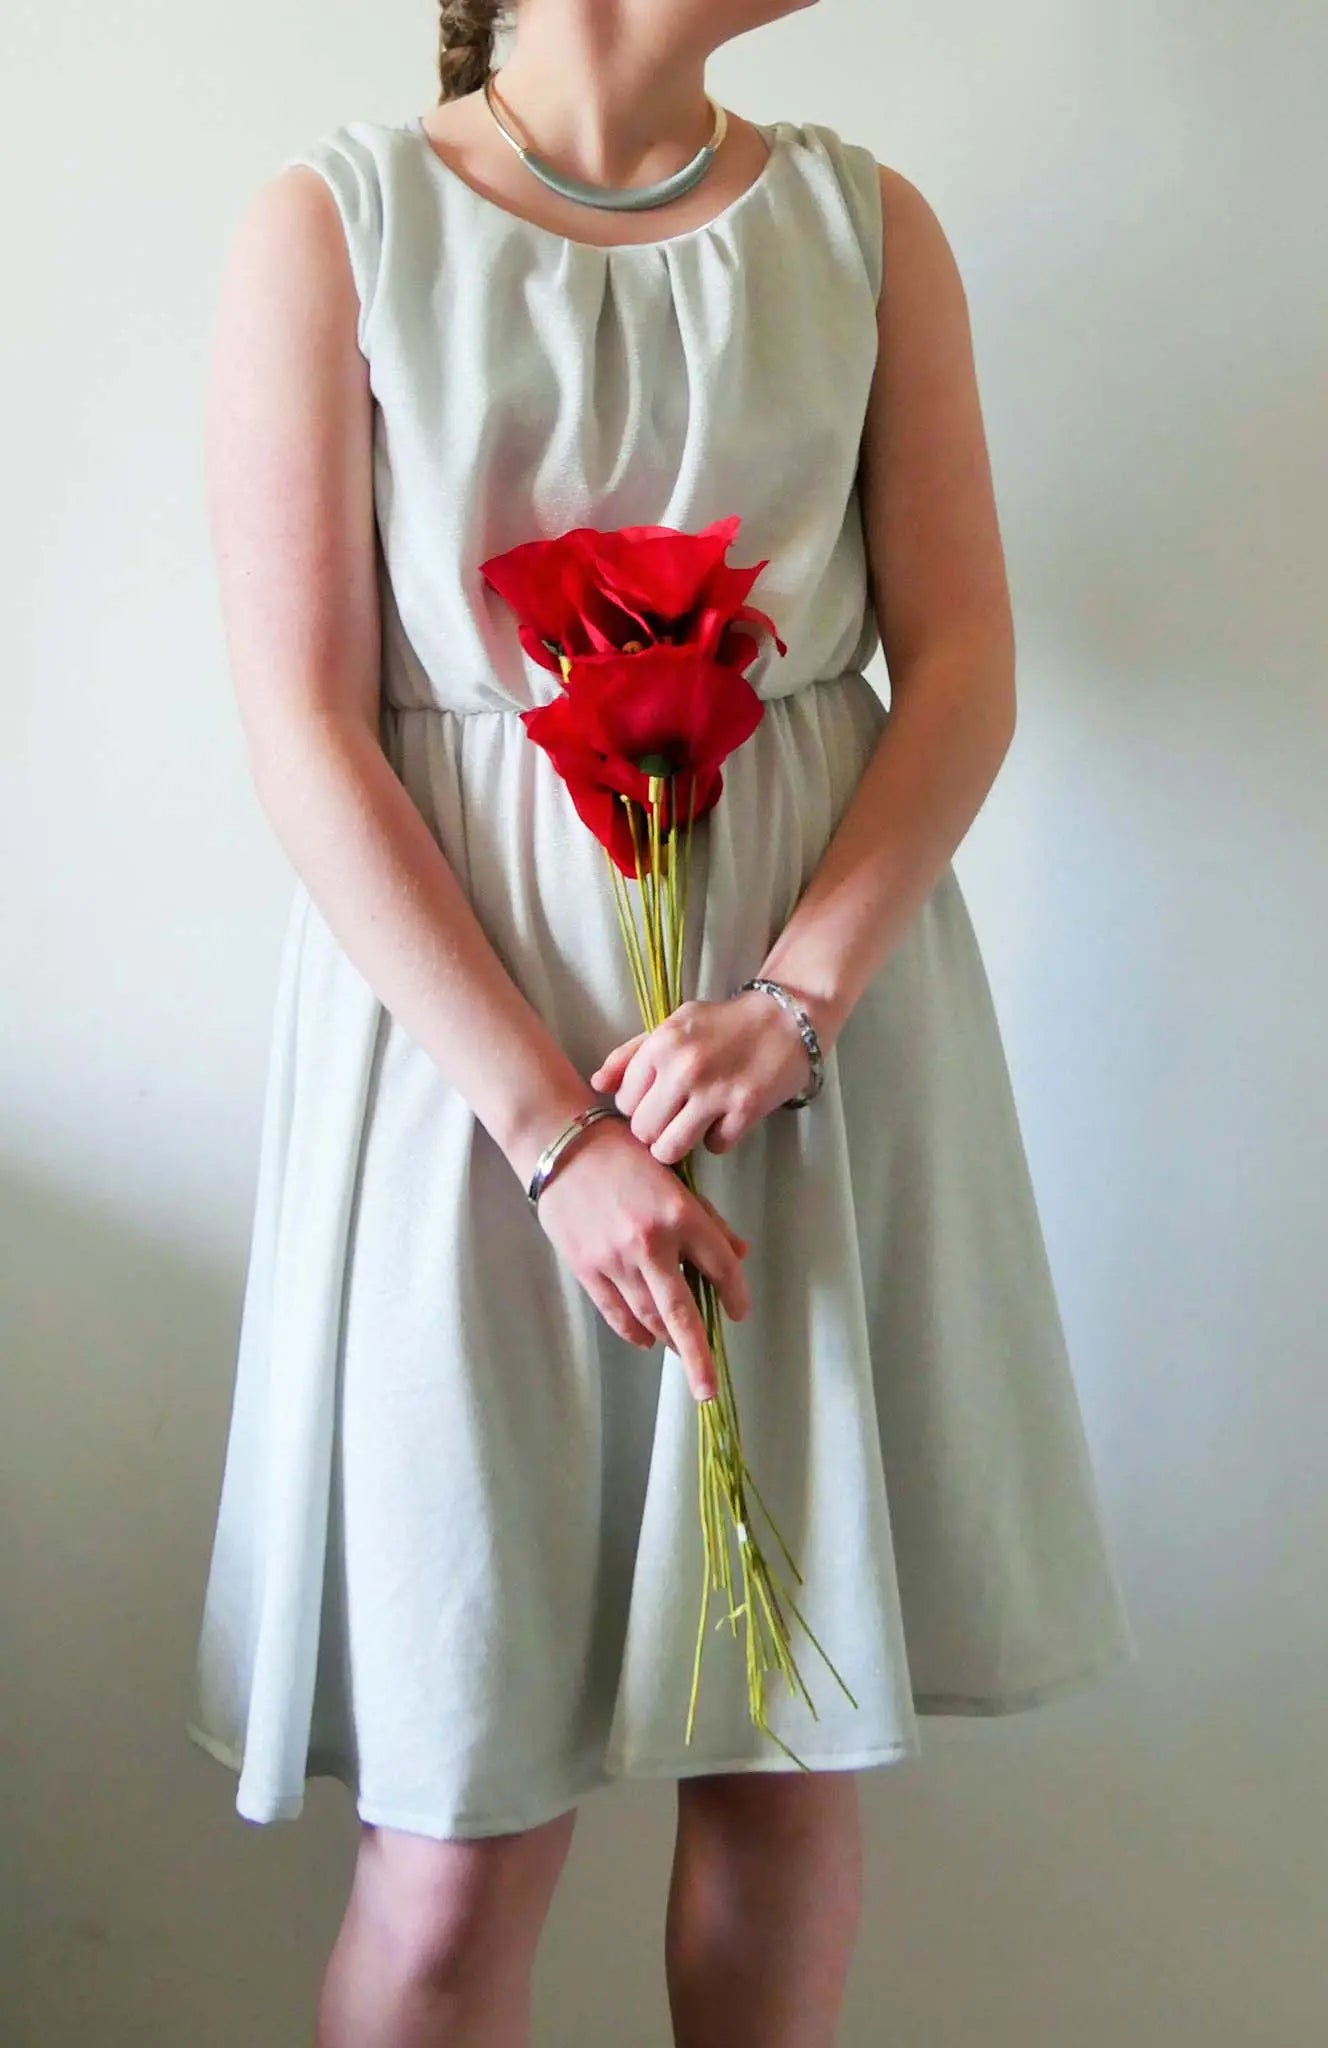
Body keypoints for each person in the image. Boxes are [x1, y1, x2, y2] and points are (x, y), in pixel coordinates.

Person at [186, 3, 1138, 2042]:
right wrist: (553, 1133)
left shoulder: (864, 226)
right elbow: (303, 729)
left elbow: (959, 667)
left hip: (802, 1052)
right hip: (467, 1077)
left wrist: (791, 1004)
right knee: (450, 1837)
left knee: (782, 1771)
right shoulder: (333, 225)